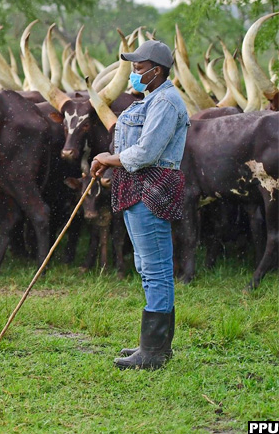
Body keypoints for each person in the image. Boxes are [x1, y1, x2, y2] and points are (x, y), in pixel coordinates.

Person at [90, 39, 189, 370]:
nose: (133, 72)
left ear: (155, 71)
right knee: (147, 266)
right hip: (136, 187)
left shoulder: (167, 103)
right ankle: (153, 345)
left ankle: (154, 353)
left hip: (152, 188)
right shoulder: (151, 99)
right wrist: (114, 165)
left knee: (157, 267)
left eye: (137, 67)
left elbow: (146, 153)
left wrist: (110, 158)